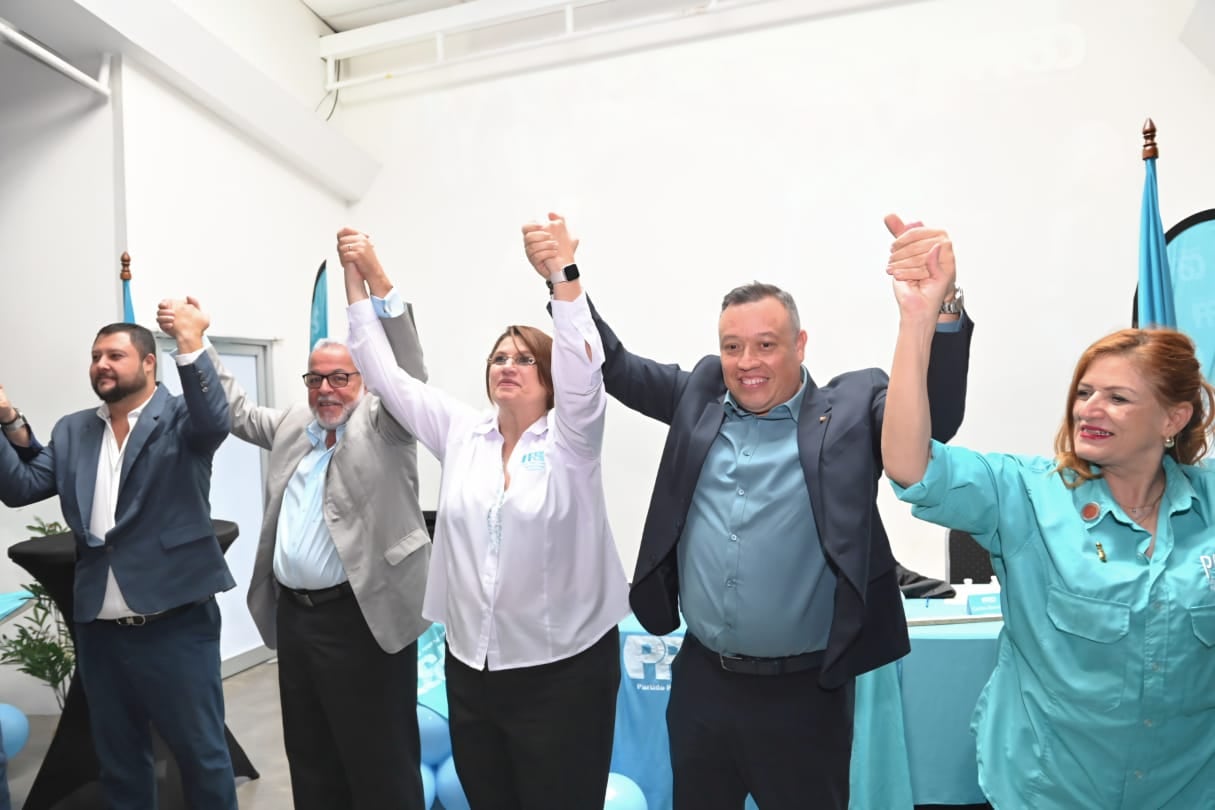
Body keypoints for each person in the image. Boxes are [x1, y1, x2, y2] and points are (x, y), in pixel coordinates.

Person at [525, 213, 975, 810]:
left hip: (805, 695)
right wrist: (565, 278)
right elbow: (614, 365)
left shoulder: (850, 405)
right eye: (732, 346)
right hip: (703, 684)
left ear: (800, 344)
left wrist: (939, 310)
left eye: (766, 344)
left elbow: (933, 420)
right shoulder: (700, 398)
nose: (747, 361)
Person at [882, 243, 1215, 808]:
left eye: (1117, 398)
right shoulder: (1027, 493)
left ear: (1173, 418)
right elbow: (912, 467)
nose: (1089, 409)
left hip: (1183, 790)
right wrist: (918, 321)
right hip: (1051, 791)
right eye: (1084, 393)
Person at [345, 216, 629, 810]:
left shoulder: (572, 440)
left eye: (525, 359)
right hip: (473, 669)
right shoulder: (461, 433)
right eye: (500, 357)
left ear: (548, 379)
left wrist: (562, 277)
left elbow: (584, 367)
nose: (507, 365)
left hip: (563, 673)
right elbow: (385, 376)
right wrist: (363, 282)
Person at [155, 226, 432, 810]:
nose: (326, 388)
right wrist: (194, 346)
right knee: (311, 754)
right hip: (299, 622)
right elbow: (229, 408)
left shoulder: (388, 423)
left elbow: (406, 369)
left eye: (341, 377)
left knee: (379, 760)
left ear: (364, 381)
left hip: (365, 617)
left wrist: (378, 281)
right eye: (315, 378)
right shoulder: (290, 427)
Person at [0, 318, 238, 809]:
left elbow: (216, 420)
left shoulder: (180, 418)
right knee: (119, 761)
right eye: (95, 356)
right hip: (100, 631)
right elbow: (21, 487)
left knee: (202, 756)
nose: (102, 365)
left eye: (114, 355)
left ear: (149, 363)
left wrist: (191, 343)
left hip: (175, 624)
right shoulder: (73, 430)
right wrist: (5, 418)